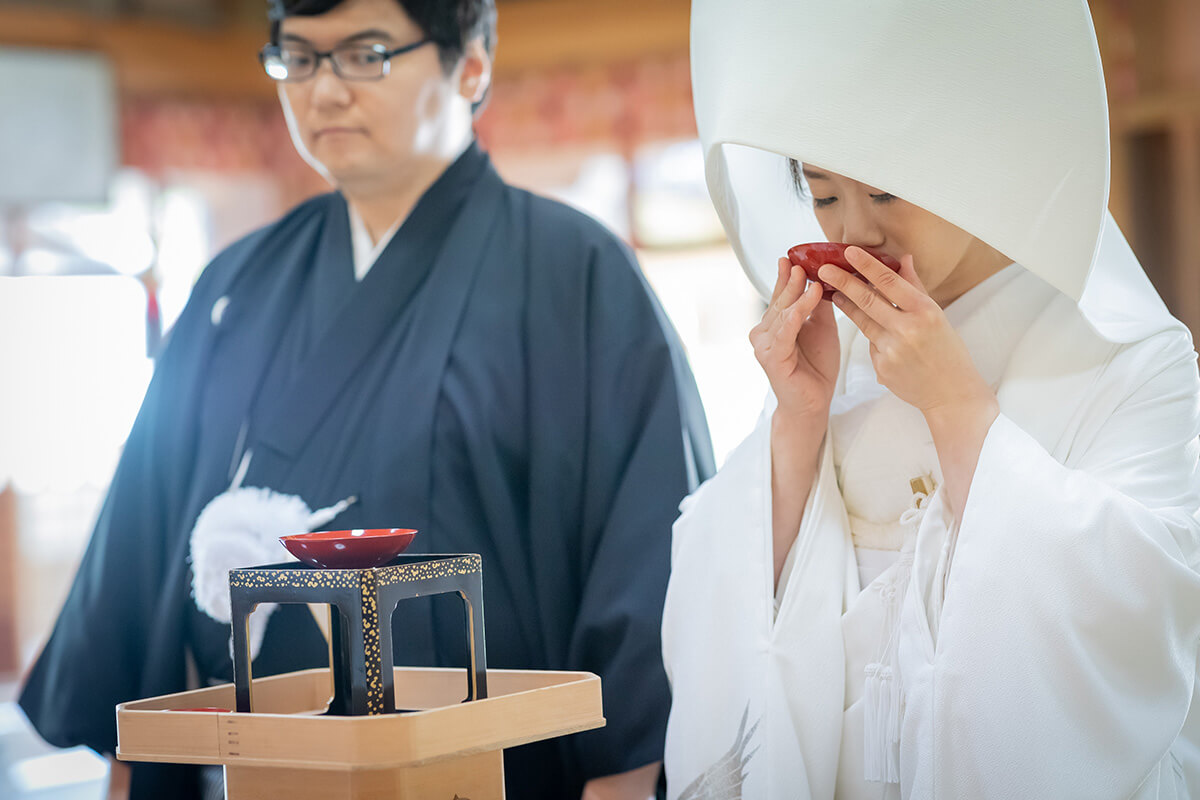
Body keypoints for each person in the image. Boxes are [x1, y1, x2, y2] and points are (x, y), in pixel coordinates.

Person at [18, 0, 713, 798]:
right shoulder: (236, 287)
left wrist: (620, 780)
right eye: (299, 57)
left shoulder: (576, 274)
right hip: (258, 771)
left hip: (506, 774)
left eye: (366, 53)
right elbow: (144, 549)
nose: (323, 91)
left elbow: (647, 558)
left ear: (472, 62)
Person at [662, 0, 1200, 798]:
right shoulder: (838, 347)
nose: (856, 233)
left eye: (885, 192)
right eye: (824, 193)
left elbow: (1138, 613)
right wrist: (798, 425)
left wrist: (959, 411)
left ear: (977, 161)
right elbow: (722, 570)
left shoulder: (1130, 358)